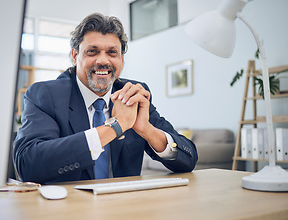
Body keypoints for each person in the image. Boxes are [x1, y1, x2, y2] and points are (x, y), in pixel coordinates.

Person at [13, 13, 198, 184]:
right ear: (75, 56)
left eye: (112, 52)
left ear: (122, 60)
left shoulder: (132, 94)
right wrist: (116, 126)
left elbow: (188, 160)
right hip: (68, 210)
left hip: (124, 209)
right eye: (92, 51)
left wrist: (146, 130)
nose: (103, 60)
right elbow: (28, 165)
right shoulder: (46, 95)